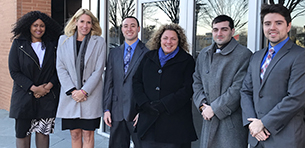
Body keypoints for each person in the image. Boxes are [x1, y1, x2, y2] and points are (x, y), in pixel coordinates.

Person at [240, 4, 305, 148]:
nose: (272, 27)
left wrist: (264, 123)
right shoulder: (256, 57)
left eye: (279, 23)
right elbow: (245, 91)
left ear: (288, 26)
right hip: (257, 137)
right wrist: (253, 124)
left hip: (285, 139)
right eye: (267, 23)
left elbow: (296, 98)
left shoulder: (300, 56)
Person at [133, 23, 197, 148]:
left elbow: (187, 89)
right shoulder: (148, 57)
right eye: (165, 38)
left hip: (175, 125)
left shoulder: (187, 60)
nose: (169, 42)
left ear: (179, 41)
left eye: (173, 39)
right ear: (159, 40)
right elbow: (136, 81)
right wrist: (144, 104)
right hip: (148, 121)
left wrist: (164, 104)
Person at [192, 15, 252, 148]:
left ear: (232, 31)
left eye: (224, 29)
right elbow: (196, 81)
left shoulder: (244, 55)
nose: (219, 33)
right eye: (215, 29)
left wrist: (214, 108)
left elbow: (238, 88)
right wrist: (202, 106)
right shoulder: (204, 54)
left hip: (230, 124)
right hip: (207, 118)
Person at [8, 11, 61, 148]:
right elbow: (14, 71)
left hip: (46, 98)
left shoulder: (52, 45)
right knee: (23, 136)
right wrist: (33, 88)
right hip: (24, 98)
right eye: (35, 25)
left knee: (43, 135)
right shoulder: (19, 44)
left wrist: (48, 87)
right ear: (28, 26)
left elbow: (59, 69)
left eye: (42, 26)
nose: (39, 29)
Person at [56, 8, 106, 148]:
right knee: (74, 134)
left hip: (90, 96)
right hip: (70, 97)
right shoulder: (63, 41)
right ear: (75, 22)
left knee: (88, 134)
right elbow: (60, 67)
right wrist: (73, 91)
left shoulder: (99, 42)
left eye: (88, 22)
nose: (85, 25)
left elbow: (98, 70)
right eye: (82, 21)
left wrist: (83, 91)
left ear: (92, 25)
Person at [103, 16, 149, 148]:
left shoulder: (147, 53)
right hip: (116, 111)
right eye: (126, 26)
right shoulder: (113, 53)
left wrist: (143, 111)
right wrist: (106, 108)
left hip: (137, 112)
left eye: (133, 25)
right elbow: (109, 82)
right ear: (122, 29)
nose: (129, 29)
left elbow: (148, 86)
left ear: (138, 29)